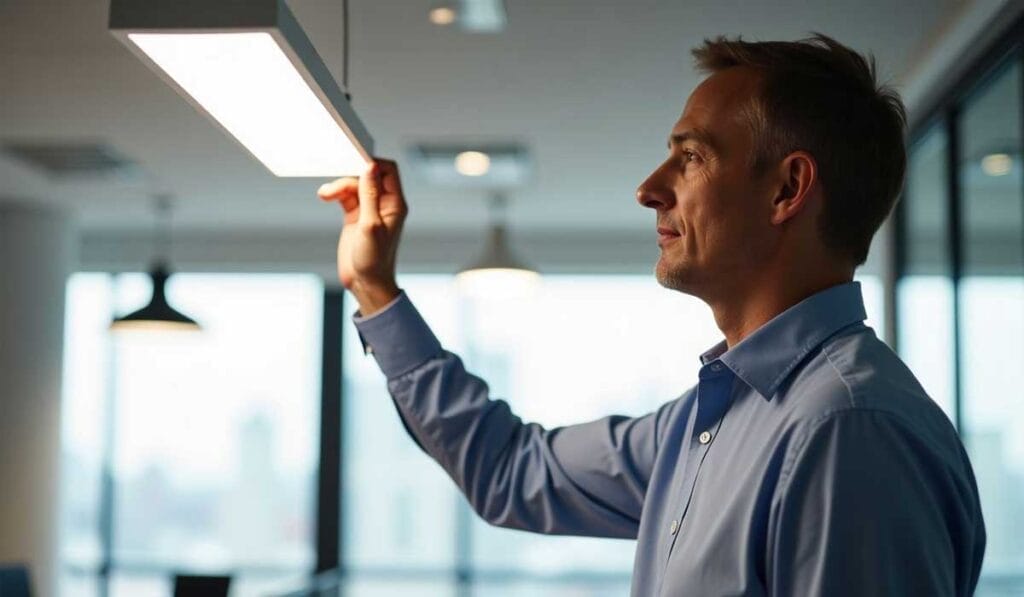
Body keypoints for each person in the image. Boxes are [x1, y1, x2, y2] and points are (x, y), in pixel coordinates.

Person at [317, 34, 986, 596]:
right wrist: (376, 288)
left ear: (786, 188)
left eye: (691, 157)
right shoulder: (711, 419)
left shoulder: (847, 428)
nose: (649, 189)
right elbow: (511, 469)